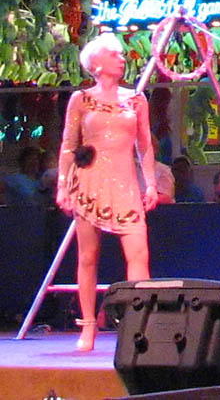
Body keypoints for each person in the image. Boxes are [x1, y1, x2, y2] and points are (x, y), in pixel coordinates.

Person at [55, 33, 158, 352]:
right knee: (88, 256)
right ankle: (87, 327)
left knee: (139, 254)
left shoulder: (136, 99)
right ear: (96, 64)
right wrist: (62, 184)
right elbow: (69, 146)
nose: (122, 58)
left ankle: (137, 325)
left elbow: (145, 145)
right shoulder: (81, 99)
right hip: (89, 182)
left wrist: (151, 183)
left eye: (122, 54)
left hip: (126, 185)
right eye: (115, 54)